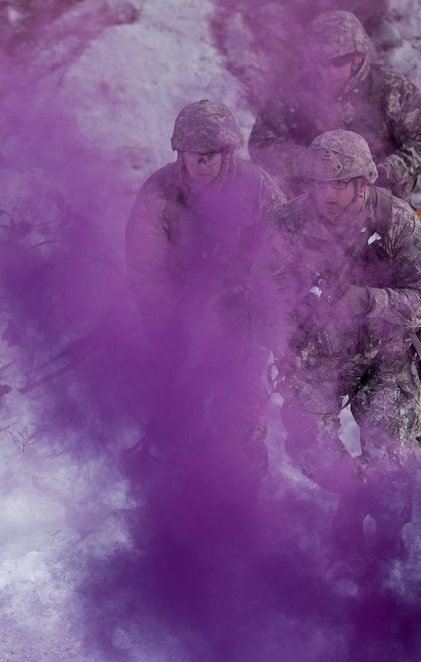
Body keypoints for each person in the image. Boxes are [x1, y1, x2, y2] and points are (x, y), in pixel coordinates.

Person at [270, 130, 421, 557]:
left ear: (363, 183)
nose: (325, 194)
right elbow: (260, 298)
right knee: (311, 450)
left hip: (384, 353)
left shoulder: (395, 220)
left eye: (337, 184)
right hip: (319, 355)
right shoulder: (287, 224)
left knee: (389, 448)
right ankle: (355, 495)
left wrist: (372, 301)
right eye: (317, 184)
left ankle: (388, 542)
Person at [124, 99, 283, 484]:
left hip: (243, 320)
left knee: (241, 410)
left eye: (210, 155)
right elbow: (145, 268)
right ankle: (180, 497)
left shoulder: (256, 185)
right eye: (192, 154)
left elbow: (284, 247)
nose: (200, 164)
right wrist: (171, 325)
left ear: (227, 152)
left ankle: (244, 497)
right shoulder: (159, 191)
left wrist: (261, 302)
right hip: (181, 318)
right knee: (180, 412)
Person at [249, 10, 421, 200]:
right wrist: (308, 161)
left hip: (382, 207)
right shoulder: (293, 94)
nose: (328, 71)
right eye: (321, 62)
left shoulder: (390, 89)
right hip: (311, 209)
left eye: (338, 62)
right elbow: (261, 145)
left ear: (358, 59)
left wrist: (389, 170)